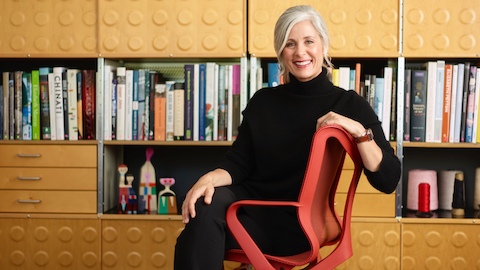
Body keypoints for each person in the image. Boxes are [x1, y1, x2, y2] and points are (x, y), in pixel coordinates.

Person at [174, 5, 401, 270]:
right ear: (281, 51)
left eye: (309, 41)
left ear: (323, 45)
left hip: (298, 226)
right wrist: (208, 178)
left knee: (195, 235)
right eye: (290, 44)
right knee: (205, 203)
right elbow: (238, 163)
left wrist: (358, 131)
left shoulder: (349, 104)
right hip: (249, 210)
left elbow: (389, 179)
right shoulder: (263, 101)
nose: (300, 52)